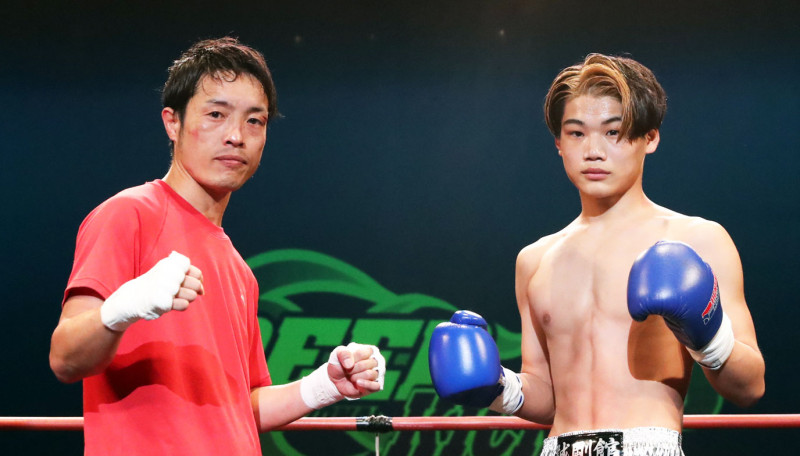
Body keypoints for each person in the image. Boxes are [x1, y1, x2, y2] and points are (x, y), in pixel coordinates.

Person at [49, 37, 385, 456]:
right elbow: (65, 357)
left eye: (254, 121)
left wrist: (325, 386)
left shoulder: (238, 269)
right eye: (216, 115)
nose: (236, 136)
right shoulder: (128, 214)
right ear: (172, 123)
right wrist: (123, 307)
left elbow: (239, 409)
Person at [429, 53, 765, 455]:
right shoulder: (534, 260)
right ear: (558, 144)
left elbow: (750, 387)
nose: (593, 151)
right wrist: (498, 387)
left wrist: (709, 336)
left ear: (650, 138)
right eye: (576, 133)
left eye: (613, 132)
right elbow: (547, 398)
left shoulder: (697, 239)